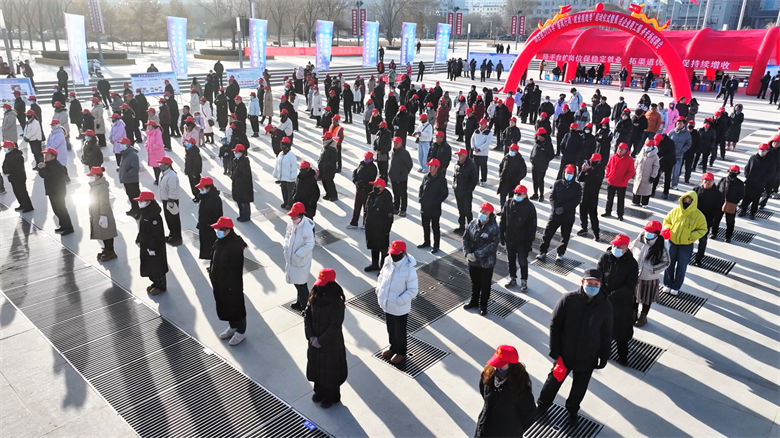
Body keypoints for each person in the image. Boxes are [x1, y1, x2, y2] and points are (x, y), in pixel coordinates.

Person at [537, 269, 612, 427]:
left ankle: (572, 410)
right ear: (582, 282)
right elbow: (555, 325)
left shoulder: (605, 305)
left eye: (596, 284)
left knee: (580, 386)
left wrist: (604, 355)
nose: (593, 286)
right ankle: (542, 405)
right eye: (590, 283)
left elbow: (606, 332)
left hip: (588, 355)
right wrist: (555, 350)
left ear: (600, 285)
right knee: (554, 380)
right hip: (565, 353)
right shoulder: (568, 299)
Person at [304, 268, 348, 408]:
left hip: (331, 344)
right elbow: (307, 316)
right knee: (318, 367)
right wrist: (311, 336)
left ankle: (331, 396)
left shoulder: (336, 302)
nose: (319, 287)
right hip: (315, 341)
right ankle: (319, 391)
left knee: (330, 371)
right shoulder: (314, 295)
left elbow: (335, 326)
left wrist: (320, 340)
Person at [474, 345, 536, 437]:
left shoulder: (520, 388)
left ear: (511, 365)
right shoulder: (487, 375)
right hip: (485, 428)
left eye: (501, 365)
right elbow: (484, 393)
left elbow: (528, 414)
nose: (496, 367)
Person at [596, 234, 638, 365]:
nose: (615, 248)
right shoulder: (605, 257)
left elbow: (630, 285)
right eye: (614, 245)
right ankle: (603, 352)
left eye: (619, 247)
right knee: (603, 329)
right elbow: (598, 274)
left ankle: (623, 356)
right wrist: (602, 292)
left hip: (622, 303)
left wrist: (613, 296)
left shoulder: (631, 263)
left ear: (626, 248)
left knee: (621, 332)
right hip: (604, 299)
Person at [376, 240, 418, 365]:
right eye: (392, 253)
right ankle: (393, 347)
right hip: (387, 304)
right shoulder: (387, 261)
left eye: (396, 254)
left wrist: (399, 301)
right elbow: (381, 277)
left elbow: (413, 290)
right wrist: (379, 291)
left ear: (403, 253)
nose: (393, 256)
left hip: (400, 307)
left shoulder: (409, 269)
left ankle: (401, 352)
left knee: (400, 331)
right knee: (391, 328)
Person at [209, 216, 249, 346]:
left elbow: (235, 269)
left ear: (227, 231)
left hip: (231, 285)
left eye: (219, 230)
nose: (217, 232)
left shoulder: (235, 246)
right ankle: (233, 326)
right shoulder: (219, 242)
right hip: (219, 283)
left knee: (236, 307)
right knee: (225, 306)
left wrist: (230, 285)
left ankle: (241, 331)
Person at [662, 192, 707, 296]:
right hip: (672, 243)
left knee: (681, 267)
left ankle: (676, 286)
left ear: (693, 202)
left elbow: (703, 229)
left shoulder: (698, 215)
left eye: (689, 201)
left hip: (686, 246)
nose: (687, 203)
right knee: (669, 264)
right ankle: (667, 284)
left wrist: (690, 236)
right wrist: (668, 229)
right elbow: (667, 221)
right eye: (685, 200)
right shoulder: (675, 211)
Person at [629, 221, 670, 327]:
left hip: (649, 278)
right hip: (635, 275)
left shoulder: (661, 247)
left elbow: (666, 262)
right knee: (634, 296)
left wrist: (652, 269)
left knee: (646, 299)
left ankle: (643, 316)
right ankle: (633, 313)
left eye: (651, 232)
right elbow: (630, 250)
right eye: (647, 230)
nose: (648, 233)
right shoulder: (638, 240)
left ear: (657, 234)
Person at [537, 165, 581, 261]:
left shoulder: (577, 187)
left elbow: (576, 201)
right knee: (547, 233)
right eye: (567, 173)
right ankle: (542, 251)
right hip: (555, 214)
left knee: (565, 236)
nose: (568, 175)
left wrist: (564, 208)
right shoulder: (558, 183)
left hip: (568, 215)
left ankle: (560, 253)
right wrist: (555, 207)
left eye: (570, 173)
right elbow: (552, 197)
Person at [462, 202, 500, 316]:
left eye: (485, 213)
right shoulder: (473, 223)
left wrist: (476, 255)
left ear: (490, 215)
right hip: (472, 261)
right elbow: (465, 238)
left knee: (485, 285)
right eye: (481, 211)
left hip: (486, 263)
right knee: (475, 283)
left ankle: (483, 306)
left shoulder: (493, 228)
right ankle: (474, 302)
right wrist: (467, 253)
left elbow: (492, 246)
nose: (481, 214)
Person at [500, 185, 536, 292]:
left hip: (522, 241)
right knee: (510, 260)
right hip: (510, 239)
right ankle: (513, 278)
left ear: (525, 195)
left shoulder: (529, 207)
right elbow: (503, 220)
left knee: (522, 262)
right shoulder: (508, 203)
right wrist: (501, 235)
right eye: (515, 193)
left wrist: (529, 243)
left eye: (519, 194)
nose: (516, 195)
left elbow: (532, 226)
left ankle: (524, 281)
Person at [283, 202, 315, 313]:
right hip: (292, 258)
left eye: (294, 216)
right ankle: (300, 302)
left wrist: (297, 255)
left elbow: (310, 244)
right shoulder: (291, 223)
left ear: (301, 215)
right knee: (297, 283)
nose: (292, 218)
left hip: (300, 261)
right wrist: (286, 246)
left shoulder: (306, 227)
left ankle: (307, 308)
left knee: (301, 285)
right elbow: (287, 235)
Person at [135, 191, 168, 295]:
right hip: (146, 245)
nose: (139, 203)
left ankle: (161, 286)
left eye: (141, 201)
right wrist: (139, 239)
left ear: (148, 202)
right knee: (150, 267)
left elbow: (157, 234)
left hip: (153, 247)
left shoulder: (154, 216)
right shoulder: (144, 213)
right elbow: (142, 229)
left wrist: (152, 247)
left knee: (157, 267)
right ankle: (155, 283)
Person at [85, 166, 118, 262]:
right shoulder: (95, 186)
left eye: (93, 175)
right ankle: (106, 249)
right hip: (96, 213)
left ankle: (111, 251)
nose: (91, 177)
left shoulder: (102, 187)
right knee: (103, 233)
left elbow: (104, 202)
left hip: (103, 214)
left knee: (107, 233)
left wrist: (103, 215)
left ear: (98, 176)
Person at [417, 159, 448, 253]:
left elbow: (444, 193)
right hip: (425, 207)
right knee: (425, 225)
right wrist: (421, 198)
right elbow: (421, 188)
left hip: (434, 208)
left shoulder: (441, 179)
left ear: (437, 167)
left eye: (431, 166)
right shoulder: (426, 177)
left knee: (435, 227)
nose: (429, 167)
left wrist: (435, 202)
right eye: (429, 166)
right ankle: (426, 242)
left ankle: (436, 245)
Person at [692, 173, 723, 266]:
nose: (707, 182)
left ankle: (698, 259)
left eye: (710, 180)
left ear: (713, 181)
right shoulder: (695, 190)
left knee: (703, 241)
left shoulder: (718, 194)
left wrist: (712, 220)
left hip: (706, 221)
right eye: (706, 180)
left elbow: (718, 210)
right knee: (689, 239)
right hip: (693, 220)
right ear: (702, 181)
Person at [363, 178, 394, 272]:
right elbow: (366, 209)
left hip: (381, 228)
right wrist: (366, 221)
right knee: (373, 246)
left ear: (382, 187)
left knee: (383, 249)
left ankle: (383, 268)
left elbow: (389, 217)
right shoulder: (371, 195)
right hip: (371, 226)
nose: (375, 187)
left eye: (377, 185)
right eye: (374, 185)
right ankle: (374, 264)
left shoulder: (386, 198)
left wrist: (386, 230)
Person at [740, 143, 775, 220]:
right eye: (760, 150)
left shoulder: (770, 161)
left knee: (756, 199)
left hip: (759, 184)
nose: (761, 151)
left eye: (763, 150)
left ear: (767, 150)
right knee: (746, 197)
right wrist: (747, 176)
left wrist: (763, 180)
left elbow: (771, 172)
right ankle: (743, 210)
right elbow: (747, 168)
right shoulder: (753, 157)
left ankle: (753, 213)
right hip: (750, 182)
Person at [602, 143, 634, 221]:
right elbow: (608, 167)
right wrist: (608, 175)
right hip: (611, 181)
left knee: (621, 200)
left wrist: (625, 179)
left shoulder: (629, 160)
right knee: (609, 198)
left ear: (626, 150)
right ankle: (608, 211)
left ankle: (620, 214)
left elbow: (631, 172)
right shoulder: (613, 157)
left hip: (621, 183)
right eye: (619, 148)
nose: (619, 150)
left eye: (621, 149)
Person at [576, 153, 605, 241]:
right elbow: (579, 179)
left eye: (594, 161)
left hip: (592, 197)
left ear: (598, 161)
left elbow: (595, 178)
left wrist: (588, 170)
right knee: (582, 213)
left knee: (593, 216)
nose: (592, 162)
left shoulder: (600, 170)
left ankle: (596, 234)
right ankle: (584, 227)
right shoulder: (590, 169)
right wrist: (583, 171)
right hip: (584, 195)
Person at [714, 165, 745, 243]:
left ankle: (728, 237)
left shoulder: (740, 183)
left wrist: (734, 202)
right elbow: (717, 190)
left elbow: (741, 194)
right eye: (731, 171)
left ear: (738, 173)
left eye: (735, 171)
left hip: (731, 204)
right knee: (716, 219)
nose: (732, 173)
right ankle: (714, 233)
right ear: (728, 171)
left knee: (730, 221)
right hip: (720, 203)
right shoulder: (722, 180)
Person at [194, 177, 223, 260]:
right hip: (204, 226)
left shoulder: (215, 199)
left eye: (202, 188)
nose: (200, 190)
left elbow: (217, 215)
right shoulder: (204, 196)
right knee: (206, 247)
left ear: (208, 188)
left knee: (212, 248)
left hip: (210, 229)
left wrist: (208, 224)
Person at [156, 156, 181, 245]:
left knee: (173, 219)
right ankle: (172, 233)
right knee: (168, 219)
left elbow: (172, 189)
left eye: (162, 163)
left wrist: (170, 201)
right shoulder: (163, 173)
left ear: (167, 165)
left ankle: (176, 236)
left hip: (171, 201)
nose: (160, 165)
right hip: (165, 199)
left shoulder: (171, 176)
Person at [2, 141, 33, 212]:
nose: (4, 149)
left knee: (22, 192)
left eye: (5, 147)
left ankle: (28, 206)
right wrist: (5, 170)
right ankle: (22, 204)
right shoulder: (8, 155)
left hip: (19, 177)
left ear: (10, 147)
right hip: (12, 177)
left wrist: (7, 171)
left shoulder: (18, 156)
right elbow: (4, 164)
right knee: (16, 192)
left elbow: (17, 168)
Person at [452, 148, 478, 233]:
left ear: (465, 155)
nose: (458, 156)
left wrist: (469, 190)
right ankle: (462, 226)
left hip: (466, 193)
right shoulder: (457, 164)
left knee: (467, 211)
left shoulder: (471, 165)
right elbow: (455, 176)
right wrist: (454, 186)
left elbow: (474, 179)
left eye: (460, 155)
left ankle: (471, 228)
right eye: (458, 155)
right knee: (461, 210)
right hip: (458, 191)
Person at [388, 136, 413, 216]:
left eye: (397, 143)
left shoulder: (404, 153)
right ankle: (396, 207)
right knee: (396, 193)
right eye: (394, 143)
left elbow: (409, 164)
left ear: (401, 143)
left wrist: (403, 173)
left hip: (401, 178)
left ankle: (403, 209)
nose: (395, 144)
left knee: (403, 194)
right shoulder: (393, 151)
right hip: (393, 176)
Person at [632, 139, 660, 207]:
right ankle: (636, 201)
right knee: (637, 187)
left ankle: (644, 203)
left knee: (646, 190)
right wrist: (634, 171)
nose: (647, 147)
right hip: (639, 174)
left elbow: (656, 167)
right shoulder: (641, 153)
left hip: (648, 176)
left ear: (652, 146)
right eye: (647, 145)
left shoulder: (655, 156)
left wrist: (653, 176)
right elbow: (636, 163)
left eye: (649, 146)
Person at [530, 128, 555, 201]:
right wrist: (531, 159)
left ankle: (541, 195)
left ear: (542, 136)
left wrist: (544, 161)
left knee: (540, 180)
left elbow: (551, 155)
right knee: (534, 180)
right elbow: (533, 151)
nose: (537, 137)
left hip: (542, 166)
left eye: (539, 135)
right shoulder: (536, 142)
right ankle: (535, 193)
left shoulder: (548, 144)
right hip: (534, 164)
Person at [231, 144, 253, 222]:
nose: (235, 153)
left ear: (241, 152)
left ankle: (246, 216)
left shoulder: (244, 162)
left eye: (236, 152)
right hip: (237, 185)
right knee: (239, 202)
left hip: (243, 186)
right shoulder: (236, 161)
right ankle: (241, 215)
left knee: (244, 202)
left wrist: (238, 180)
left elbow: (245, 176)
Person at [274, 138, 297, 209]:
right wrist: (276, 173)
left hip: (289, 177)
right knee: (284, 190)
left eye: (284, 145)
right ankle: (285, 202)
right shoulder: (280, 154)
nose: (282, 147)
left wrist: (293, 176)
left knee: (290, 192)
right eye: (282, 145)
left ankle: (290, 203)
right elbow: (277, 164)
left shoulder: (291, 155)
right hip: (282, 176)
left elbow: (294, 166)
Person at [318, 132, 339, 202]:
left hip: (329, 170)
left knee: (329, 182)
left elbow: (334, 159)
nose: (323, 140)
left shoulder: (332, 149)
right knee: (324, 182)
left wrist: (327, 165)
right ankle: (328, 194)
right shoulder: (325, 147)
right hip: (323, 168)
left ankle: (333, 196)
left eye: (324, 138)